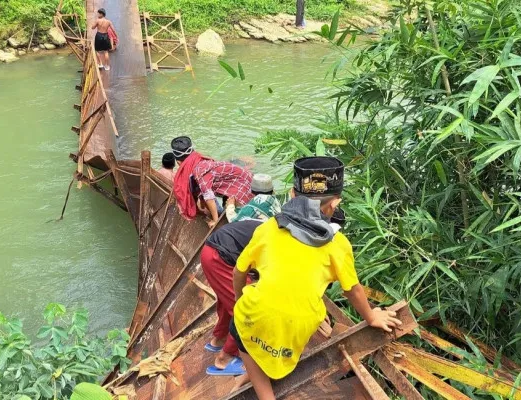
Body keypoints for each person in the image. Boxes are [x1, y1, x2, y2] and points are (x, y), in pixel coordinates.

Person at [231, 156, 403, 400]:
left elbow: (238, 272)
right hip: (302, 325)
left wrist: (239, 300)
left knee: (240, 327)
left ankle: (263, 393)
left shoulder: (268, 228)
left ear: (291, 194)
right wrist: (372, 316)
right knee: (278, 324)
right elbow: (352, 290)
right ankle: (252, 373)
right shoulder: (338, 244)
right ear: (334, 204)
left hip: (256, 316)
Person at [200, 220, 264, 377]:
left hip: (211, 252)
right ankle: (225, 359)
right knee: (247, 308)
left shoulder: (274, 225)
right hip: (221, 257)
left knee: (227, 299)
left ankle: (219, 339)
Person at [171, 136, 254, 227]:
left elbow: (208, 196)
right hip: (233, 180)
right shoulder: (198, 158)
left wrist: (215, 221)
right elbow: (201, 189)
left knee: (237, 217)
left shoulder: (199, 170)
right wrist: (202, 206)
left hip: (241, 182)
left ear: (179, 163)